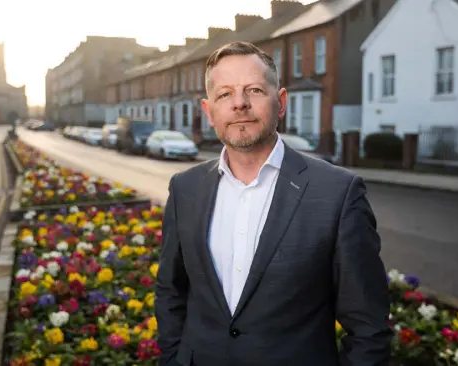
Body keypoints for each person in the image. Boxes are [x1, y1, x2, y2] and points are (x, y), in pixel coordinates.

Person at [155, 41, 392, 366]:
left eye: (253, 90)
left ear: (280, 103)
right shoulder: (185, 188)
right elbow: (171, 291)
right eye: (225, 94)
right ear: (209, 112)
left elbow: (368, 327)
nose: (239, 104)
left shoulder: (339, 192)